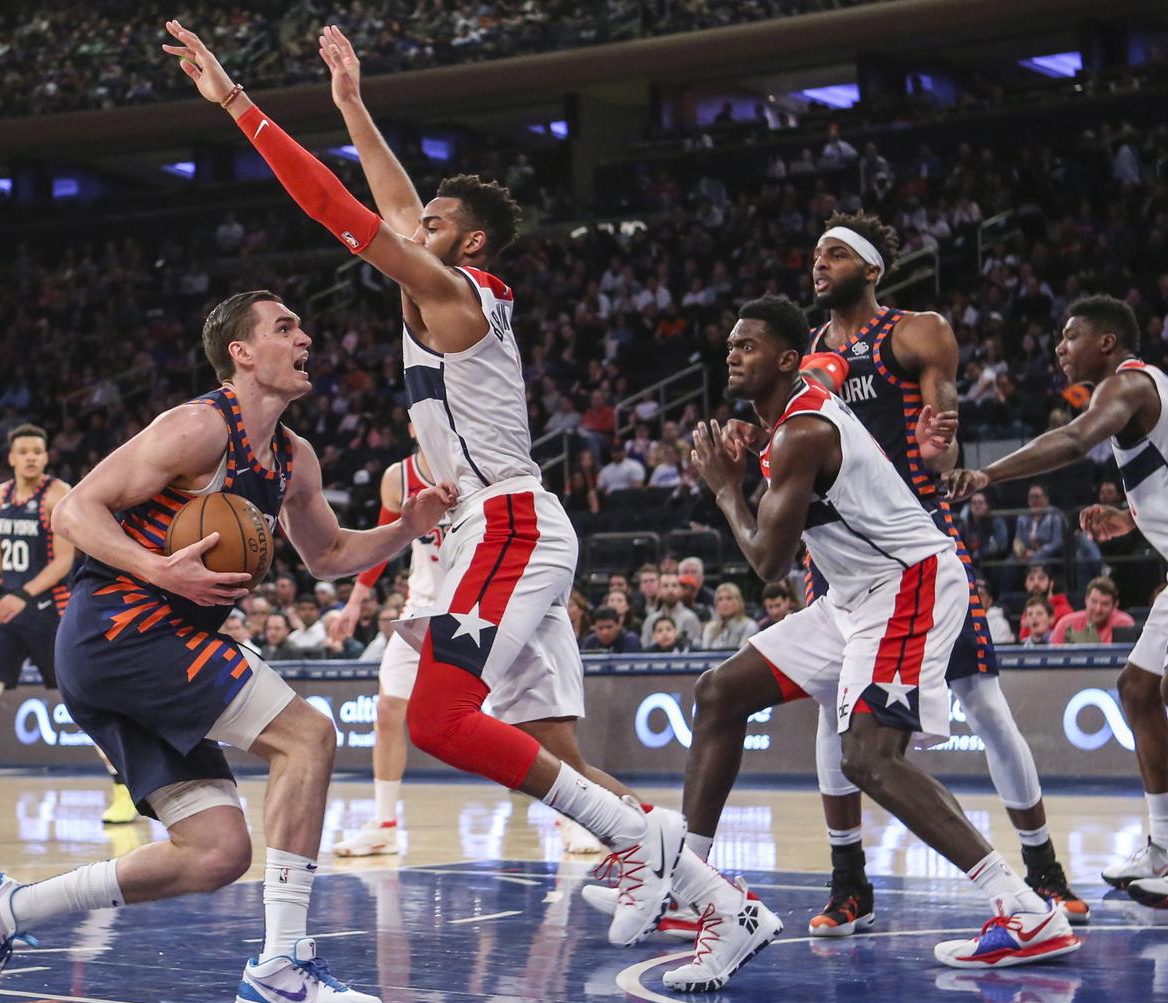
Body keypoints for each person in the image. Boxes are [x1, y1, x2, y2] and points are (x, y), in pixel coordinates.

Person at [167, 18, 747, 949]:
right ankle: (713, 896)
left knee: (440, 716)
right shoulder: (443, 284)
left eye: (431, 226)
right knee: (552, 754)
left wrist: (237, 103)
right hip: (495, 526)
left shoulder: (455, 294)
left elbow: (334, 206)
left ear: (468, 242)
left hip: (508, 523)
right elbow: (395, 202)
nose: (412, 228)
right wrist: (352, 104)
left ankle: (651, 847)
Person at [0, 289, 455, 1003]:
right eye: (284, 327)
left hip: (145, 650)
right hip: (121, 631)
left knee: (216, 853)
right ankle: (281, 966)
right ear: (241, 353)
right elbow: (75, 509)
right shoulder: (197, 427)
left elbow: (330, 554)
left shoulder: (294, 458)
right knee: (308, 737)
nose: (305, 337)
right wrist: (157, 568)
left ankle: (9, 909)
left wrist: (406, 526)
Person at [673, 297, 1077, 989]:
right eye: (731, 344)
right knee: (720, 693)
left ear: (785, 358)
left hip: (907, 583)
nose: (732, 354)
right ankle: (689, 888)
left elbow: (768, 561)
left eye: (747, 345)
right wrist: (753, 450)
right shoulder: (787, 420)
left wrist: (725, 489)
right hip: (852, 597)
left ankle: (1026, 910)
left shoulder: (803, 429)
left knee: (868, 757)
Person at [792, 210, 1084, 934]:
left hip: (916, 538)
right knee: (832, 708)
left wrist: (939, 449)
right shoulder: (808, 353)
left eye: (835, 254)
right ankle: (849, 882)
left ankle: (1044, 870)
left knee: (982, 700)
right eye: (817, 254)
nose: (819, 264)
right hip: (838, 554)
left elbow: (943, 446)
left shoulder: (917, 331)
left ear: (871, 268)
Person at [946, 295, 1168, 905]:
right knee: (1137, 688)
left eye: (1070, 337)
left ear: (1107, 343)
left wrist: (987, 474)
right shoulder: (1150, 395)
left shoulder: (1126, 385)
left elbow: (1073, 439)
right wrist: (1129, 518)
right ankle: (1165, 844)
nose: (1059, 348)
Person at [0, 425, 136, 832]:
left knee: (81, 704)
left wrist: (22, 594)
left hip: (51, 613)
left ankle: (125, 788)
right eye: (24, 451)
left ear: (47, 456)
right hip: (11, 614)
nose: (32, 457)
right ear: (11, 458)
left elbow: (64, 560)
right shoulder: (1, 495)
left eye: (38, 450)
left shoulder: (58, 494)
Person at [332, 448, 452, 857]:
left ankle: (567, 820)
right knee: (386, 711)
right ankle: (383, 825)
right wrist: (354, 603)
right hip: (422, 606)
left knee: (522, 715)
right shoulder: (398, 477)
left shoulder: (478, 460)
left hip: (477, 605)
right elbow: (382, 542)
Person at [1049, 576, 1135, 644]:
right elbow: (1052, 657)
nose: (1098, 609)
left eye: (1105, 604)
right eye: (1094, 602)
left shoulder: (1123, 623)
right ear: (1086, 599)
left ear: (1114, 606)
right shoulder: (1066, 623)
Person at [641, 572, 705, 646]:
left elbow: (696, 647)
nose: (670, 590)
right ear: (659, 590)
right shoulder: (651, 620)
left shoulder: (690, 618)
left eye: (674, 586)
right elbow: (644, 647)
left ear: (680, 590)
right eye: (665, 586)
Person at [698, 583, 758, 651]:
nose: (724, 603)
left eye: (729, 598)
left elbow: (743, 654)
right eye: (720, 599)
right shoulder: (710, 628)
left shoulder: (749, 626)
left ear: (738, 602)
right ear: (716, 604)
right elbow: (705, 654)